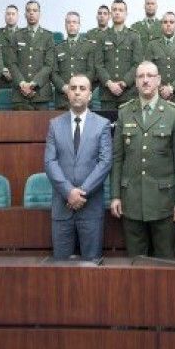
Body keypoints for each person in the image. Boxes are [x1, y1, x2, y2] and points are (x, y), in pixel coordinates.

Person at [110, 61, 175, 258]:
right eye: (141, 76)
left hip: (164, 202)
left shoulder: (174, 113)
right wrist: (115, 196)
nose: (145, 80)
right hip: (132, 201)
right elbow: (118, 159)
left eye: (150, 76)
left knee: (165, 264)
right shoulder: (124, 112)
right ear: (135, 82)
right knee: (136, 265)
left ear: (158, 80)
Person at [45, 73, 112, 261]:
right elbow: (50, 162)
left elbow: (105, 162)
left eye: (82, 89)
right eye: (73, 88)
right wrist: (69, 192)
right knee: (61, 270)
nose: (77, 92)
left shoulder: (102, 125)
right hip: (62, 207)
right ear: (67, 93)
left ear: (90, 95)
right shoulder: (54, 125)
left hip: (90, 207)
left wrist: (81, 193)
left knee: (92, 269)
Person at [8, 0, 56, 110]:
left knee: (42, 127)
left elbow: (49, 65)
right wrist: (22, 83)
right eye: (29, 10)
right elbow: (12, 63)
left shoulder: (48, 37)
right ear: (25, 14)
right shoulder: (16, 35)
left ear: (39, 14)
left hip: (41, 94)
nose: (31, 13)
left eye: (35, 10)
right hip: (20, 94)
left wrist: (34, 84)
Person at [95, 0, 143, 109]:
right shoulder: (102, 36)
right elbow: (98, 64)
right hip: (107, 93)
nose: (117, 12)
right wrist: (109, 83)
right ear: (111, 14)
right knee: (107, 125)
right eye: (114, 10)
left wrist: (124, 83)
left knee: (129, 125)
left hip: (128, 93)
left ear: (126, 14)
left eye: (121, 10)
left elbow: (137, 64)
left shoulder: (134, 36)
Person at [144, 11, 175, 108]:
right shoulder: (152, 45)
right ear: (161, 25)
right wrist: (161, 88)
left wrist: (172, 88)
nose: (168, 25)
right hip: (157, 96)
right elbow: (147, 71)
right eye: (165, 22)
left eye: (171, 22)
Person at [51, 11, 96, 110]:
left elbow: (92, 71)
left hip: (83, 98)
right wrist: (64, 87)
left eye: (74, 22)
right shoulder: (57, 48)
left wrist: (79, 87)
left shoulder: (89, 46)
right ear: (65, 25)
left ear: (79, 25)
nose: (71, 24)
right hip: (63, 99)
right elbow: (54, 73)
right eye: (69, 22)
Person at [0, 4, 19, 88]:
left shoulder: (24, 34)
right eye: (8, 14)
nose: (10, 16)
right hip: (0, 78)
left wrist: (14, 72)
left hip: (19, 79)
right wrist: (2, 69)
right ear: (5, 16)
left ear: (17, 16)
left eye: (13, 14)